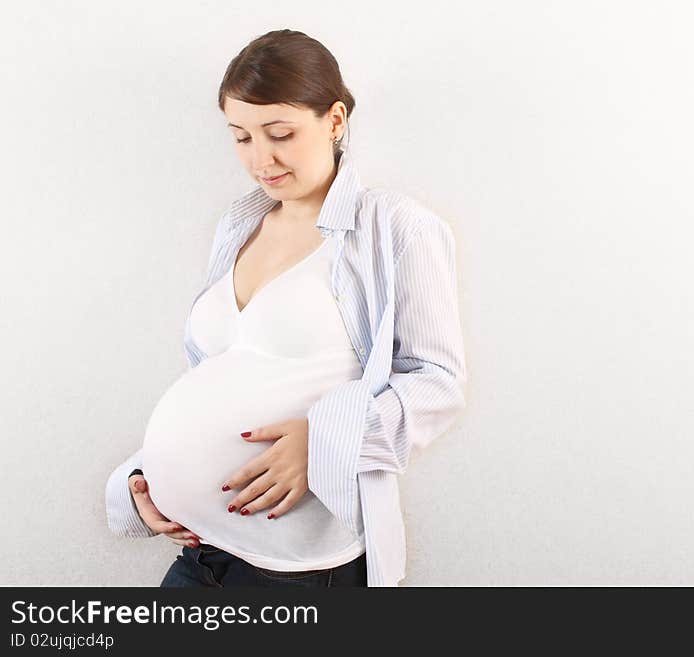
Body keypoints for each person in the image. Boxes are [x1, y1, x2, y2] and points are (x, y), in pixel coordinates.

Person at [104, 29, 468, 587]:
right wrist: (146, 472)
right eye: (242, 137)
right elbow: (222, 377)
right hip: (200, 555)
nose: (260, 159)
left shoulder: (397, 229)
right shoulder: (239, 224)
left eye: (280, 134)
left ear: (335, 120)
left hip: (296, 567)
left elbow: (437, 382)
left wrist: (322, 440)